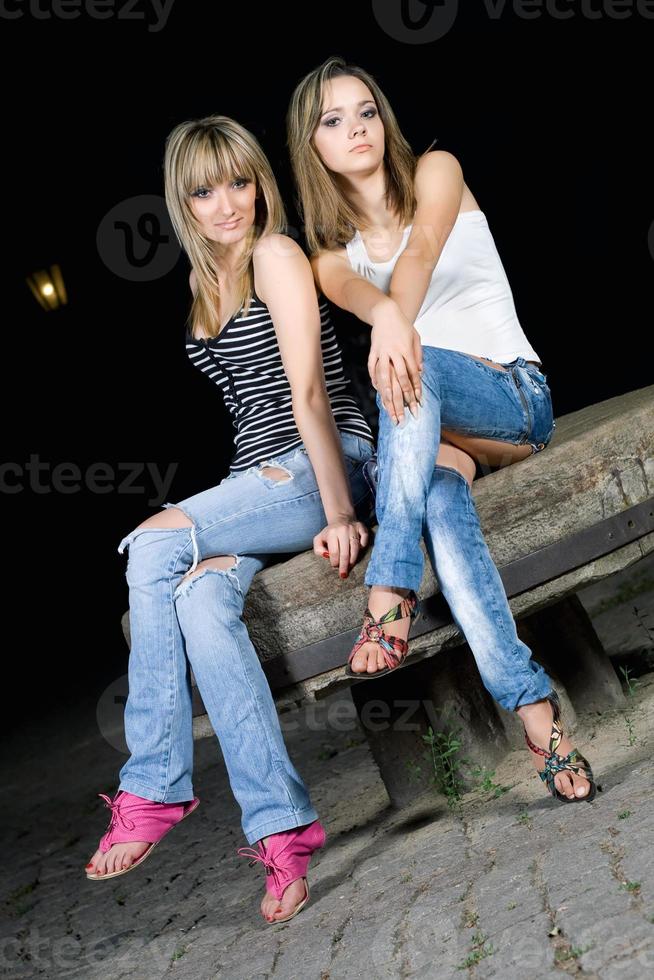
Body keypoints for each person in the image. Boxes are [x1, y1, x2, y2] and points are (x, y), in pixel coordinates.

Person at [84, 115, 378, 923]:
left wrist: (342, 509)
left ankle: (152, 786)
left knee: (149, 550)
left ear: (260, 183)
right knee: (196, 600)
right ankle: (284, 832)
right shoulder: (201, 281)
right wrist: (228, 522)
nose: (227, 206)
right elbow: (247, 413)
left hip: (326, 461)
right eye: (205, 191)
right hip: (259, 479)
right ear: (183, 202)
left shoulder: (277, 257)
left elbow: (309, 394)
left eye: (240, 182)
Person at [286, 58, 596, 805]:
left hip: (511, 396)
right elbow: (359, 293)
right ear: (312, 144)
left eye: (365, 111)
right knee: (442, 512)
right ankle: (538, 717)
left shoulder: (437, 169)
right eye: (333, 120)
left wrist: (394, 316)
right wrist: (384, 311)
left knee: (409, 371)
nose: (355, 128)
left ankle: (387, 592)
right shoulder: (329, 257)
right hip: (438, 433)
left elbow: (419, 251)